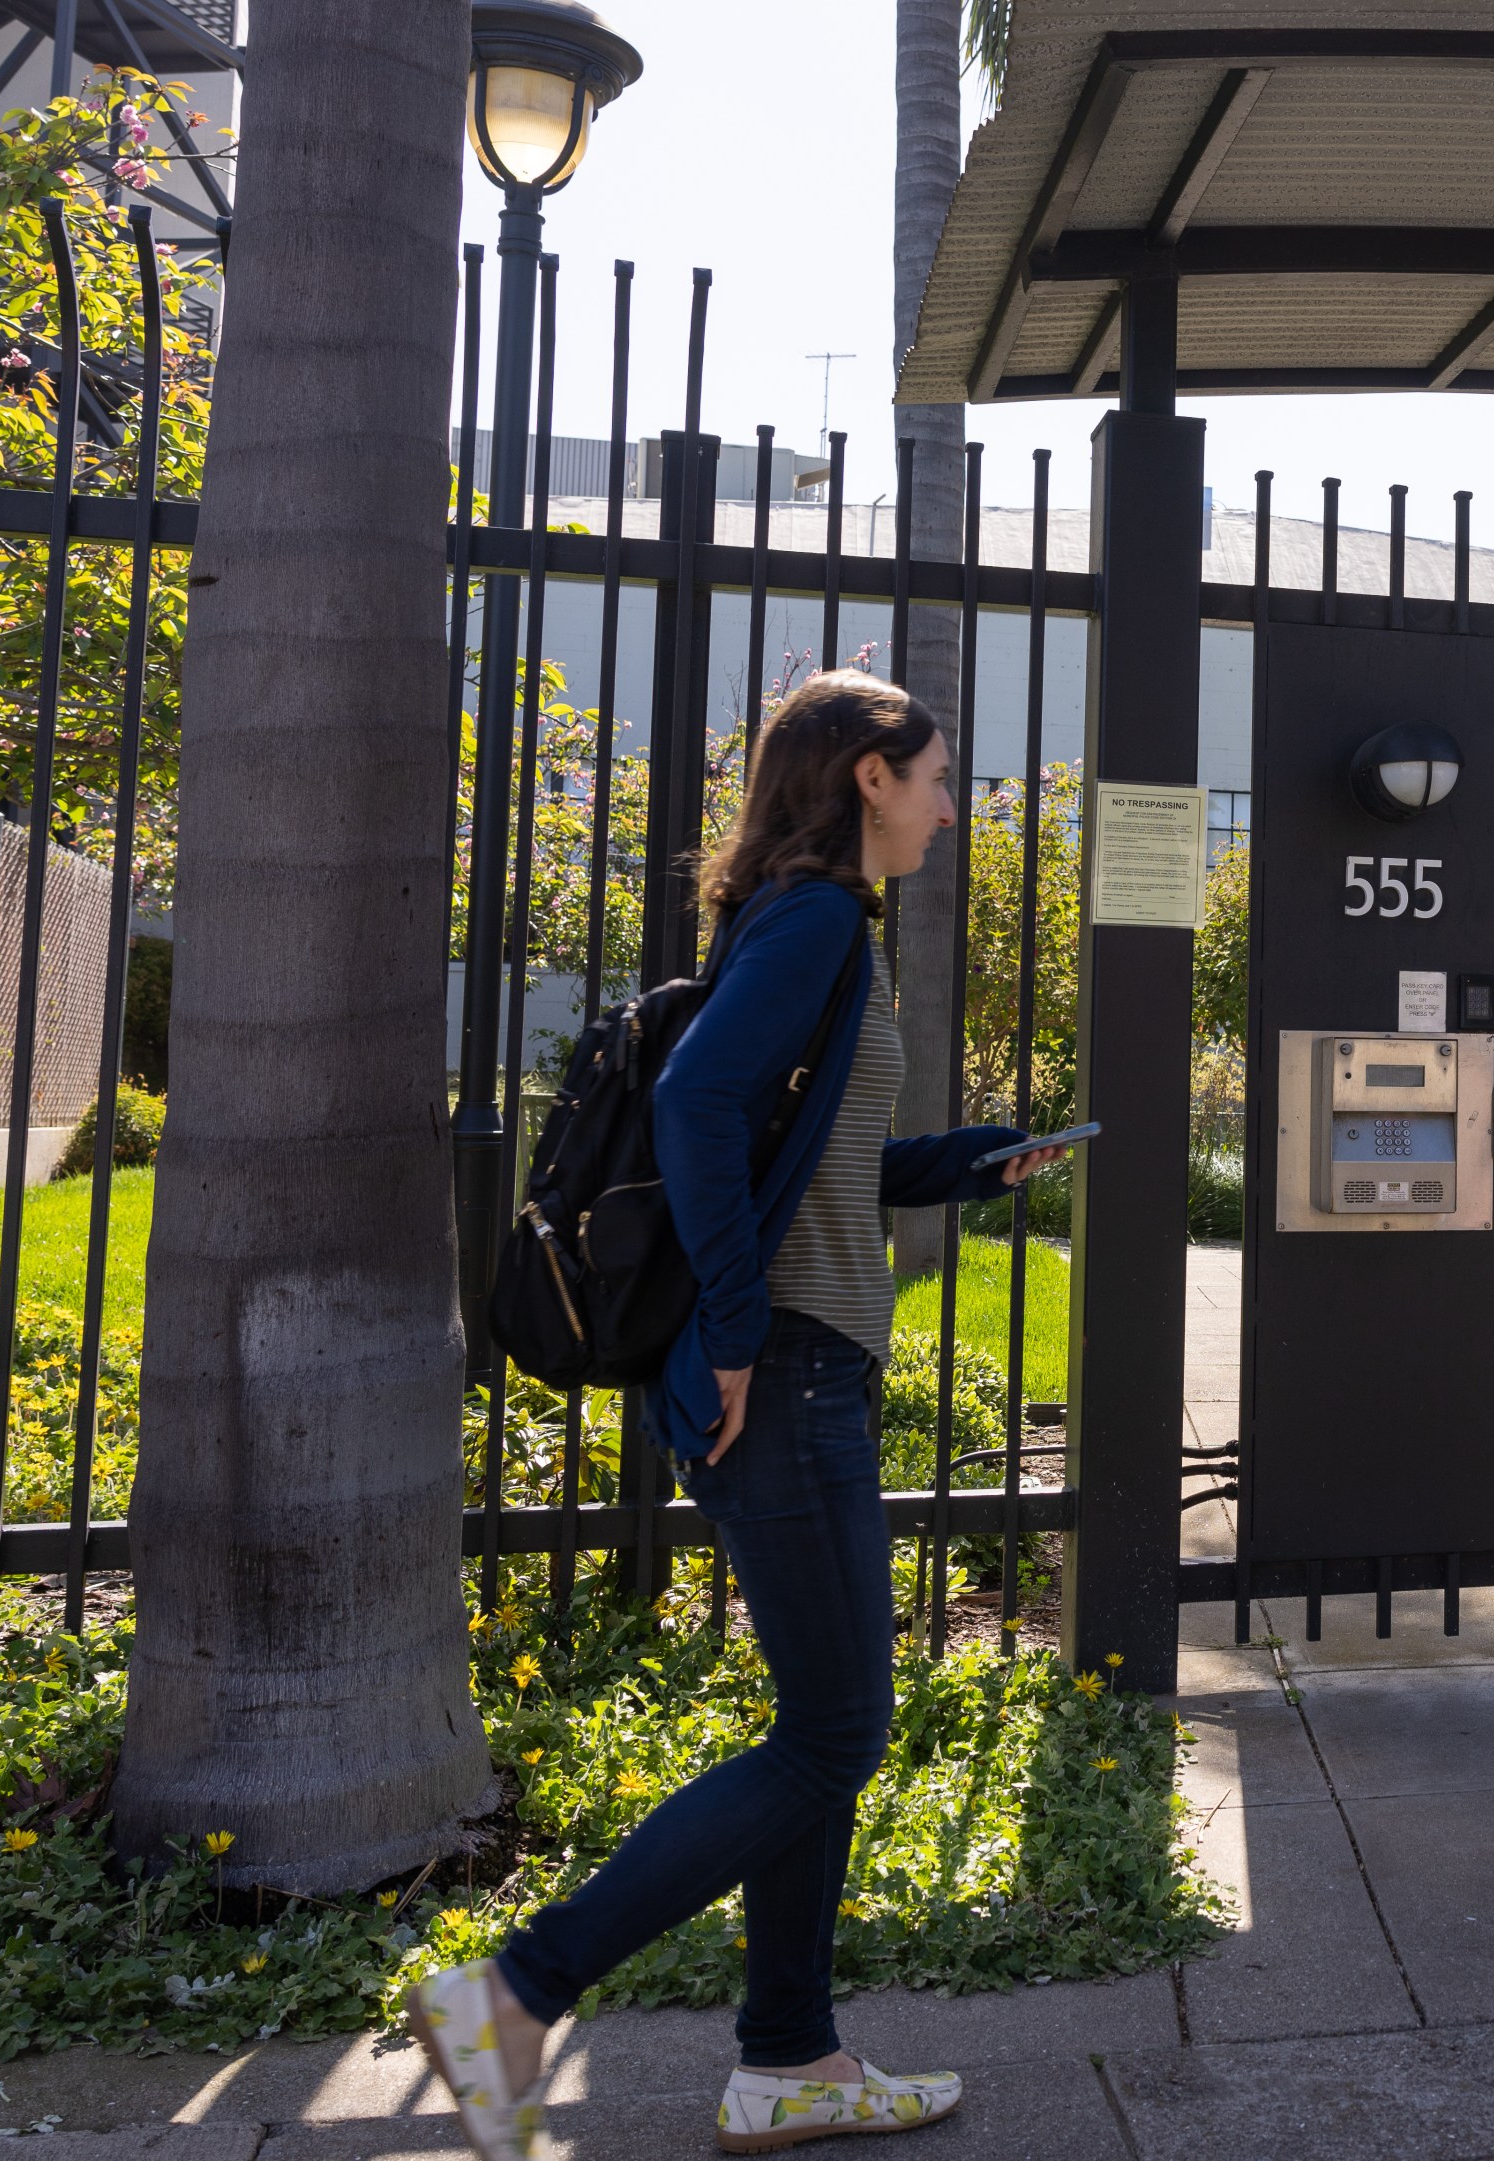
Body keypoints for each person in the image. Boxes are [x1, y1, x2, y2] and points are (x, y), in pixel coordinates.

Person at [410, 670, 1060, 2157]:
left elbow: (804, 1156)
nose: (953, 807)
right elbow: (702, 1103)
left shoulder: (802, 918)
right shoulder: (822, 917)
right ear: (870, 777)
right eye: (939, 776)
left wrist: (967, 1159)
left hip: (804, 1362)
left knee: (818, 1724)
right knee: (839, 1731)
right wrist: (742, 1328)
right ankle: (515, 1992)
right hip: (795, 1372)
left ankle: (788, 2059)